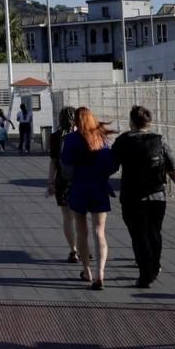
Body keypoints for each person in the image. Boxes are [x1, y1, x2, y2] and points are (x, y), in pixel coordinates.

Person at [110, 105, 175, 288]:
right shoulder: (159, 141)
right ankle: (155, 265)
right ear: (149, 122)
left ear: (131, 122)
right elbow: (171, 167)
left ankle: (145, 275)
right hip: (157, 195)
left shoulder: (123, 140)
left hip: (132, 196)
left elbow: (111, 165)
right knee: (154, 232)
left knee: (138, 235)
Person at [61, 106, 116, 289]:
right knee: (100, 232)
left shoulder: (71, 140)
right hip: (99, 187)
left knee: (82, 232)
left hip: (79, 187)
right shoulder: (100, 137)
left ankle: (87, 271)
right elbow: (110, 163)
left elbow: (66, 167)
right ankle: (100, 274)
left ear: (76, 121)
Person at [46, 106, 80, 263]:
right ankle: (83, 248)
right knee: (81, 217)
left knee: (67, 218)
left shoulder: (55, 137)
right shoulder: (81, 136)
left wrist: (50, 182)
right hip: (80, 181)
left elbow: (53, 161)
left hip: (62, 180)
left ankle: (73, 251)